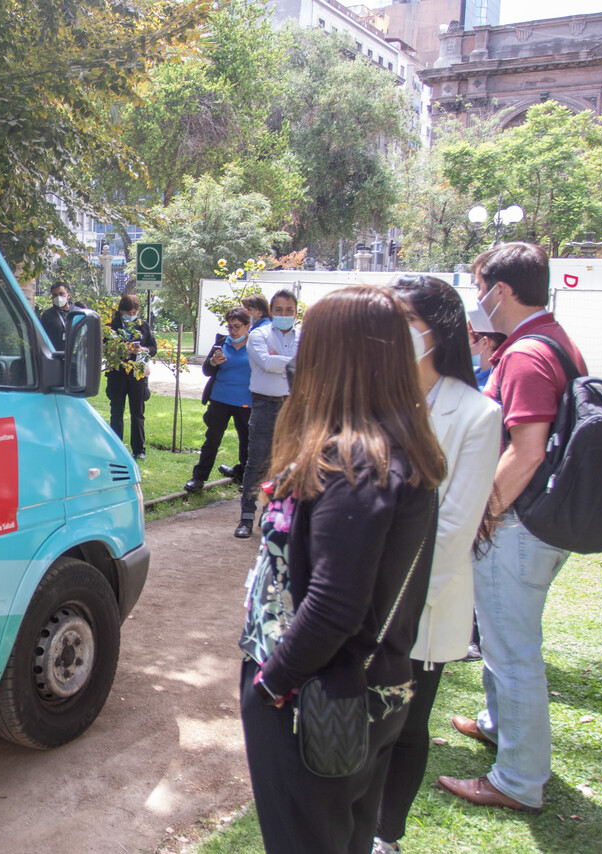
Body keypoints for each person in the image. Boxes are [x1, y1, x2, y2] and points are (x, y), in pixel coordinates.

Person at [238, 285, 443, 854]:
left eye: (312, 341)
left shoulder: (356, 459)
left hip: (315, 695)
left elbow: (333, 604)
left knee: (306, 839)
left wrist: (271, 684)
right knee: (341, 836)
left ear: (335, 356)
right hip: (359, 689)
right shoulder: (392, 446)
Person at [439, 242, 588, 815]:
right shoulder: (554, 339)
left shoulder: (525, 354)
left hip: (518, 525)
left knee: (510, 651)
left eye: (479, 287)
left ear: (499, 290)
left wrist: (485, 514)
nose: (478, 300)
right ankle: (499, 725)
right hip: (538, 523)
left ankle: (518, 780)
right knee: (509, 641)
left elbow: (524, 451)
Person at [373, 276, 501, 853]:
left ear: (436, 331)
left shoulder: (476, 414)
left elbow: (451, 531)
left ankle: (385, 835)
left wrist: (379, 596)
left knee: (403, 729)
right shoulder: (371, 399)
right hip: (354, 601)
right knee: (357, 724)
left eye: (402, 321)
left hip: (421, 603)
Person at [235, 289, 298, 538]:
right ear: (271, 312)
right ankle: (246, 518)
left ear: (295, 312)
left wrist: (280, 359)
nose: (284, 314)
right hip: (264, 405)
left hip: (292, 407)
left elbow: (310, 363)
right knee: (256, 463)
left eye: (289, 310)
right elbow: (266, 363)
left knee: (286, 463)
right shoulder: (259, 334)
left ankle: (272, 515)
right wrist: (293, 361)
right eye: (279, 310)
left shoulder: (304, 336)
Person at [185, 306, 251, 492]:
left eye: (237, 326)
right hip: (220, 399)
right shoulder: (222, 342)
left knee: (246, 440)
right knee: (212, 438)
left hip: (245, 401)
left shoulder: (255, 344)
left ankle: (247, 477)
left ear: (247, 326)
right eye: (229, 327)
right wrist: (213, 362)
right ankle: (198, 478)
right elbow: (207, 370)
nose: (232, 331)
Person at [105, 293, 156, 460]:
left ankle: (139, 449)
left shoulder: (143, 325)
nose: (132, 316)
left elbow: (153, 347)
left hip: (137, 375)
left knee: (138, 412)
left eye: (135, 312)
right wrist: (122, 349)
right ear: (121, 310)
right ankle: (116, 447)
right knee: (117, 411)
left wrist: (142, 350)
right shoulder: (111, 325)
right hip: (117, 374)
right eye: (129, 312)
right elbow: (104, 347)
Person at [39, 281, 83, 350]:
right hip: (55, 357)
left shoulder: (79, 312)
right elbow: (41, 338)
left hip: (74, 357)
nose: (58, 297)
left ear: (68, 295)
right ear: (52, 297)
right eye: (55, 295)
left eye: (61, 294)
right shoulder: (47, 315)